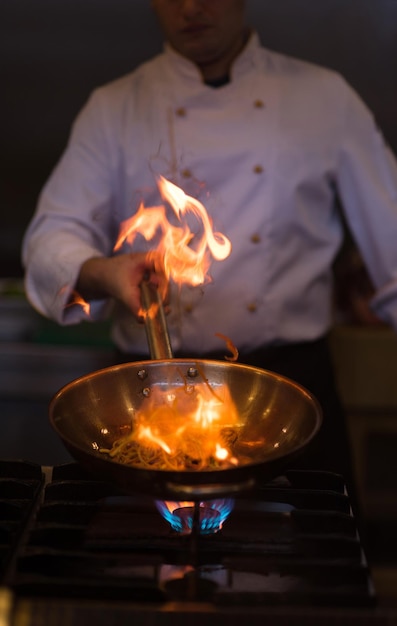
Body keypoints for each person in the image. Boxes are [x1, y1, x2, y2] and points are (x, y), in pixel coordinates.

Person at [22, 0, 397, 507]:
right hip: (146, 401)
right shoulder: (115, 107)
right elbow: (49, 239)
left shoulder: (325, 99)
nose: (191, 7)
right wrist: (105, 272)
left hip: (285, 403)